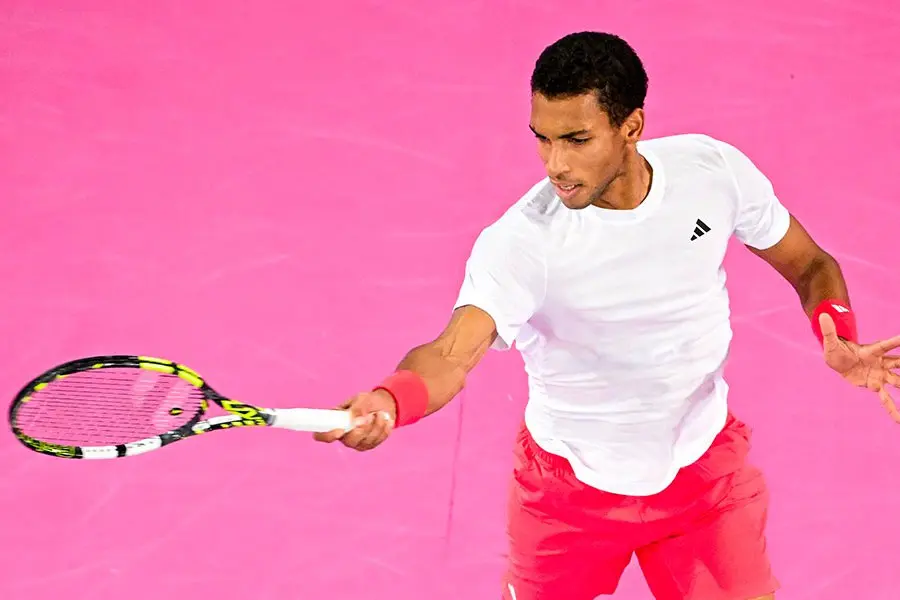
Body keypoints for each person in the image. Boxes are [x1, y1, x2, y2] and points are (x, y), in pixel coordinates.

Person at [313, 31, 900, 600]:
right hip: (567, 499)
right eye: (542, 139)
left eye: (576, 139)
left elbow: (809, 264)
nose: (554, 164)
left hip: (704, 480)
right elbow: (450, 352)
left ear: (632, 127)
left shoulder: (712, 173)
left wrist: (838, 331)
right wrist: (393, 399)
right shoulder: (522, 242)